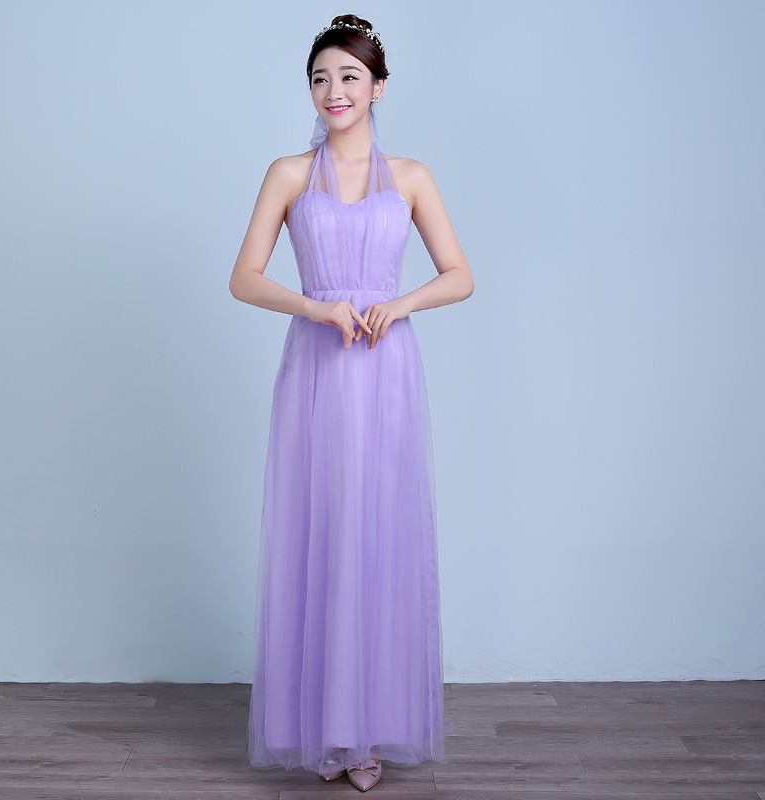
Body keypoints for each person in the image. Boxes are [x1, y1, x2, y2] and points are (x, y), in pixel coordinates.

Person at [229, 13, 474, 793]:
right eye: (320, 78)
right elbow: (244, 278)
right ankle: (321, 731)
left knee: (377, 536)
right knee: (320, 532)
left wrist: (398, 305)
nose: (333, 91)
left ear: (378, 87)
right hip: (316, 365)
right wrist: (317, 307)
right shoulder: (287, 174)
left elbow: (460, 275)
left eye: (349, 76)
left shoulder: (411, 176)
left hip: (385, 366)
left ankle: (365, 732)